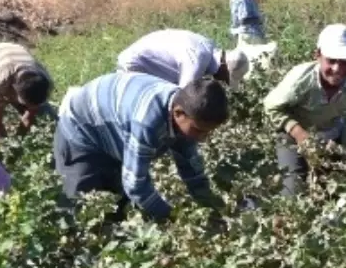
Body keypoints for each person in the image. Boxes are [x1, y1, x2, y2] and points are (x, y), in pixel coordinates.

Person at [54, 71, 228, 221]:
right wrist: (171, 217)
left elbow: (191, 169)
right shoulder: (147, 121)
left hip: (115, 126)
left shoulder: (188, 108)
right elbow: (135, 186)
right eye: (198, 131)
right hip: (81, 130)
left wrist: (212, 207)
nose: (203, 138)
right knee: (80, 206)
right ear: (178, 113)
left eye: (208, 132)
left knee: (117, 204)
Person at [263, 24, 346, 196]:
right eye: (331, 60)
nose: (337, 69)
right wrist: (299, 133)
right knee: (292, 193)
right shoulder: (301, 80)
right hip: (292, 135)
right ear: (318, 55)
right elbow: (271, 107)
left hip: (330, 137)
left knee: (339, 192)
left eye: (345, 63)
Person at [0, 42, 55, 146]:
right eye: (25, 103)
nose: (29, 107)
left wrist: (19, 143)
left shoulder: (45, 81)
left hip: (14, 57)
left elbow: (28, 117)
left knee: (51, 120)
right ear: (14, 91)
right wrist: (6, 150)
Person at [116, 29, 249, 90]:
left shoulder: (208, 47)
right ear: (224, 66)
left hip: (146, 65)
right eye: (226, 78)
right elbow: (184, 95)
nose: (222, 82)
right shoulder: (197, 60)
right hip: (135, 66)